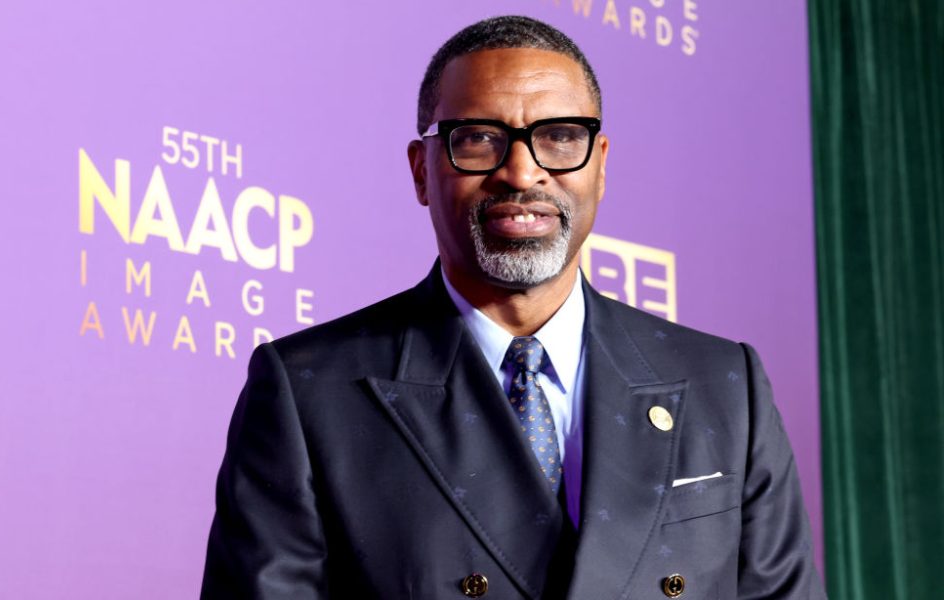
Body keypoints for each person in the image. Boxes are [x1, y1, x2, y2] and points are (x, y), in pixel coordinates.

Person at [201, 15, 826, 599]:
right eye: (478, 139)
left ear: (599, 166)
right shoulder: (311, 391)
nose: (522, 173)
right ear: (423, 170)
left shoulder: (724, 385)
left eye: (559, 137)